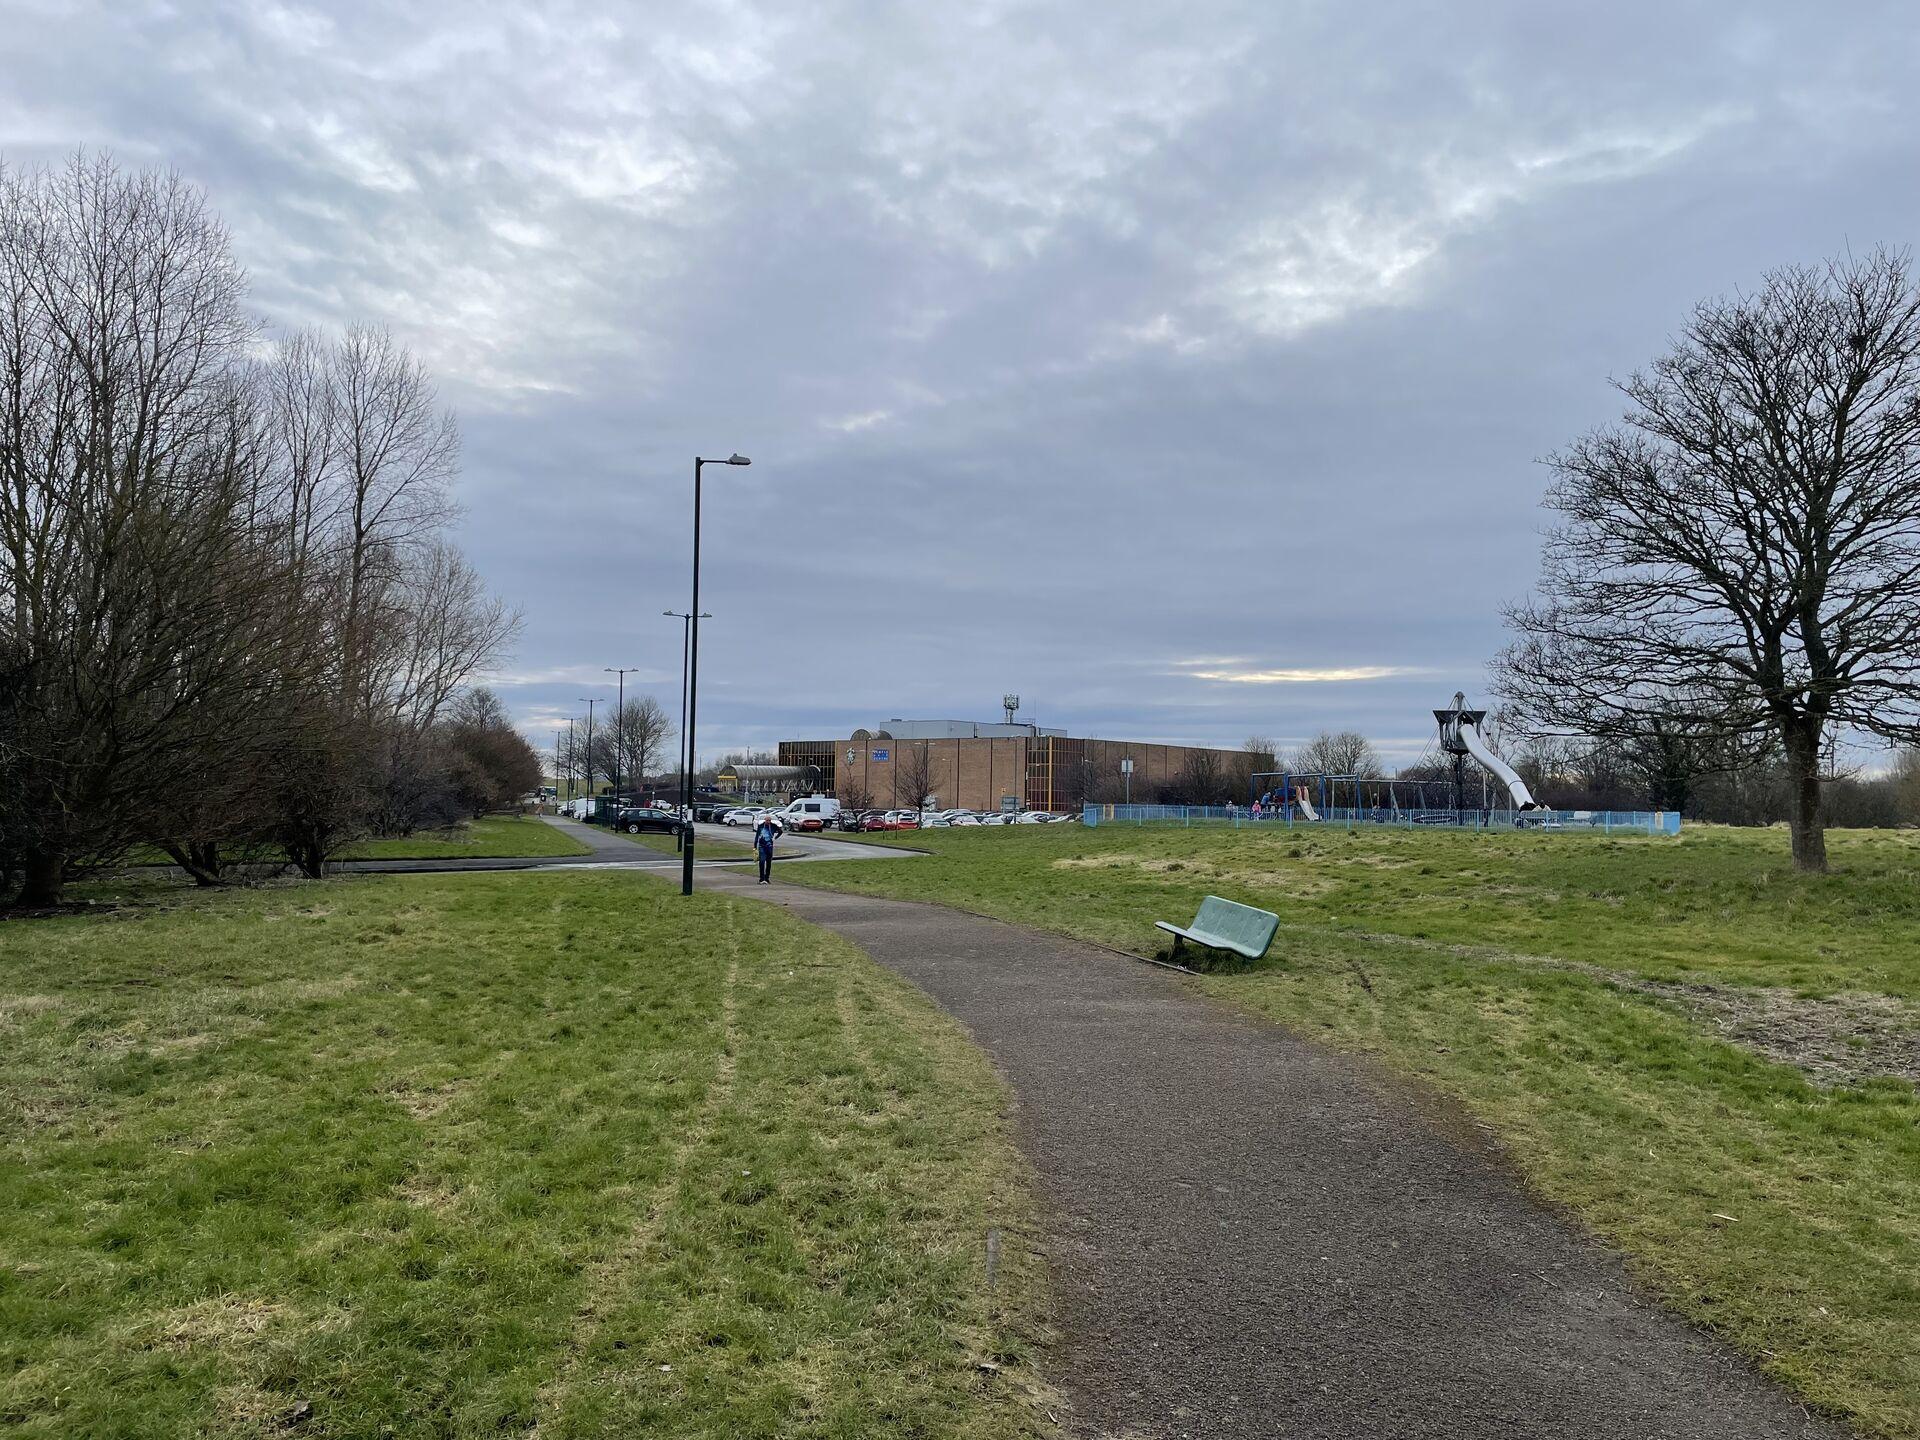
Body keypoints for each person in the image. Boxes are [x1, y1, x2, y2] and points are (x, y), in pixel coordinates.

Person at [754, 813, 777, 884]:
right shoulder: (761, 826)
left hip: (769, 847)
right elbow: (757, 836)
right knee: (762, 862)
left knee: (769, 862)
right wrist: (755, 846)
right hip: (762, 846)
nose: (768, 822)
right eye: (767, 820)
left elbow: (780, 831)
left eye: (769, 820)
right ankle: (761, 878)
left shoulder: (773, 826)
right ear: (765, 820)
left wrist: (775, 837)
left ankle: (767, 878)